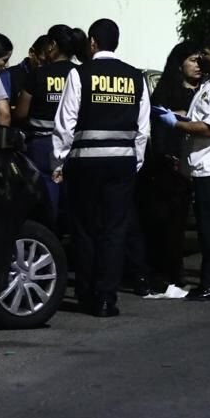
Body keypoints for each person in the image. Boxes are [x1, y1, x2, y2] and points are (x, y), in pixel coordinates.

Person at [52, 18, 151, 317]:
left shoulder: (80, 74)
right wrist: (135, 162)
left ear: (92, 42)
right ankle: (107, 298)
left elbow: (66, 123)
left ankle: (86, 295)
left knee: (84, 230)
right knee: (115, 230)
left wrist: (58, 161)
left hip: (85, 163)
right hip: (122, 163)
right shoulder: (135, 77)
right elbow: (143, 129)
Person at [159, 32, 210, 301]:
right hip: (203, 165)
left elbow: (209, 128)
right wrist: (180, 117)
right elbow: (197, 116)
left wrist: (175, 123)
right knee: (208, 229)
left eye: (205, 54)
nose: (200, 58)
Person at [138, 41, 202, 295]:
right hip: (168, 167)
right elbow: (157, 127)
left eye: (200, 60)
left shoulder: (205, 90)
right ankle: (162, 275)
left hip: (198, 164)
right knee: (164, 224)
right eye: (192, 60)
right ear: (179, 64)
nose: (198, 65)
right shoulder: (165, 91)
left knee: (181, 225)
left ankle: (176, 272)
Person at [14, 25, 76, 217]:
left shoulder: (38, 74)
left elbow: (21, 113)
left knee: (46, 200)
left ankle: (49, 232)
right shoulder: (81, 73)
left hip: (42, 146)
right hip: (74, 146)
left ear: (52, 45)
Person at [8, 34, 49, 109]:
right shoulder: (9, 74)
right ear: (31, 52)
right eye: (41, 61)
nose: (43, 66)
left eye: (47, 63)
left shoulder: (50, 77)